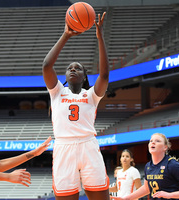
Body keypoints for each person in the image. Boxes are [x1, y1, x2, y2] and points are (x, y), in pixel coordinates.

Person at [42, 12, 110, 200]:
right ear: (64, 76)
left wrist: (100, 37)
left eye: (78, 68)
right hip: (64, 147)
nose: (73, 69)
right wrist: (66, 35)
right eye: (69, 68)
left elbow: (104, 76)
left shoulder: (91, 95)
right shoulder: (56, 92)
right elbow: (47, 66)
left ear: (84, 77)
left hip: (88, 146)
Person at [111, 133, 179, 200]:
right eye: (151, 141)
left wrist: (169, 195)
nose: (153, 142)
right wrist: (126, 198)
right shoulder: (148, 166)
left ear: (165, 147)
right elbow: (146, 188)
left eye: (157, 141)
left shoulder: (173, 165)